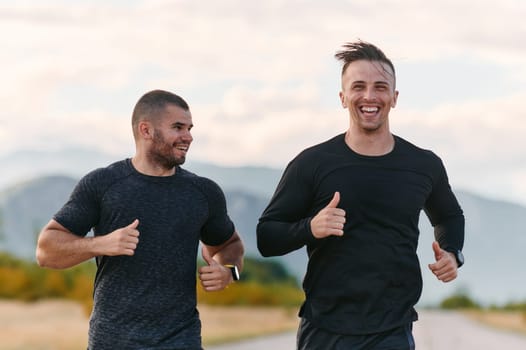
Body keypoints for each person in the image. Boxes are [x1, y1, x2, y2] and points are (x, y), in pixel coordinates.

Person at [257, 41, 465, 350]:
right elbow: (267, 236)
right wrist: (310, 227)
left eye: (380, 87)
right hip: (325, 330)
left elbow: (449, 215)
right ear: (343, 98)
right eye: (358, 87)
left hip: (392, 329)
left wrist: (452, 253)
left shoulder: (423, 165)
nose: (369, 96)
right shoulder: (312, 164)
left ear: (394, 98)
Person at [36, 89, 244, 350]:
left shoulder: (203, 192)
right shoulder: (103, 184)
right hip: (112, 342)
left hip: (181, 340)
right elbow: (46, 250)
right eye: (178, 127)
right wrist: (99, 244)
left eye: (189, 128)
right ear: (146, 130)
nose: (188, 136)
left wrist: (229, 271)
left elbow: (230, 245)